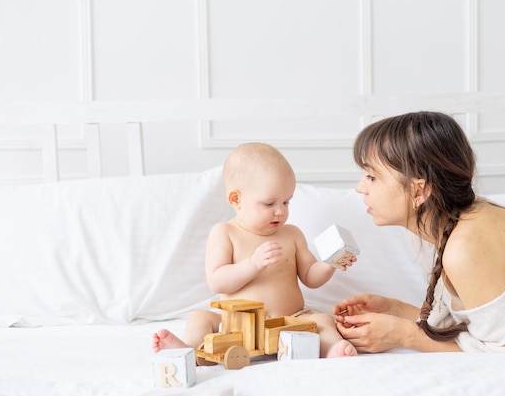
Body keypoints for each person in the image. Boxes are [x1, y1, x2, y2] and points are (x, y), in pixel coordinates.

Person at [333, 111, 505, 353]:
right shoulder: (444, 226)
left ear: (418, 190)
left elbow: (501, 352)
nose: (360, 187)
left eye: (371, 176)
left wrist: (403, 334)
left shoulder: (466, 246)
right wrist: (396, 310)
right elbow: (475, 322)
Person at [153, 142, 357, 359]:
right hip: (236, 325)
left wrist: (329, 263)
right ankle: (187, 352)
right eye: (269, 203)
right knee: (200, 318)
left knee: (323, 321)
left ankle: (333, 349)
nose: (280, 211)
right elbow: (217, 281)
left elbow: (310, 277)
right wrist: (252, 264)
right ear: (236, 199)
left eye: (286, 202)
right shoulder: (225, 232)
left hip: (292, 320)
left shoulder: (292, 234)